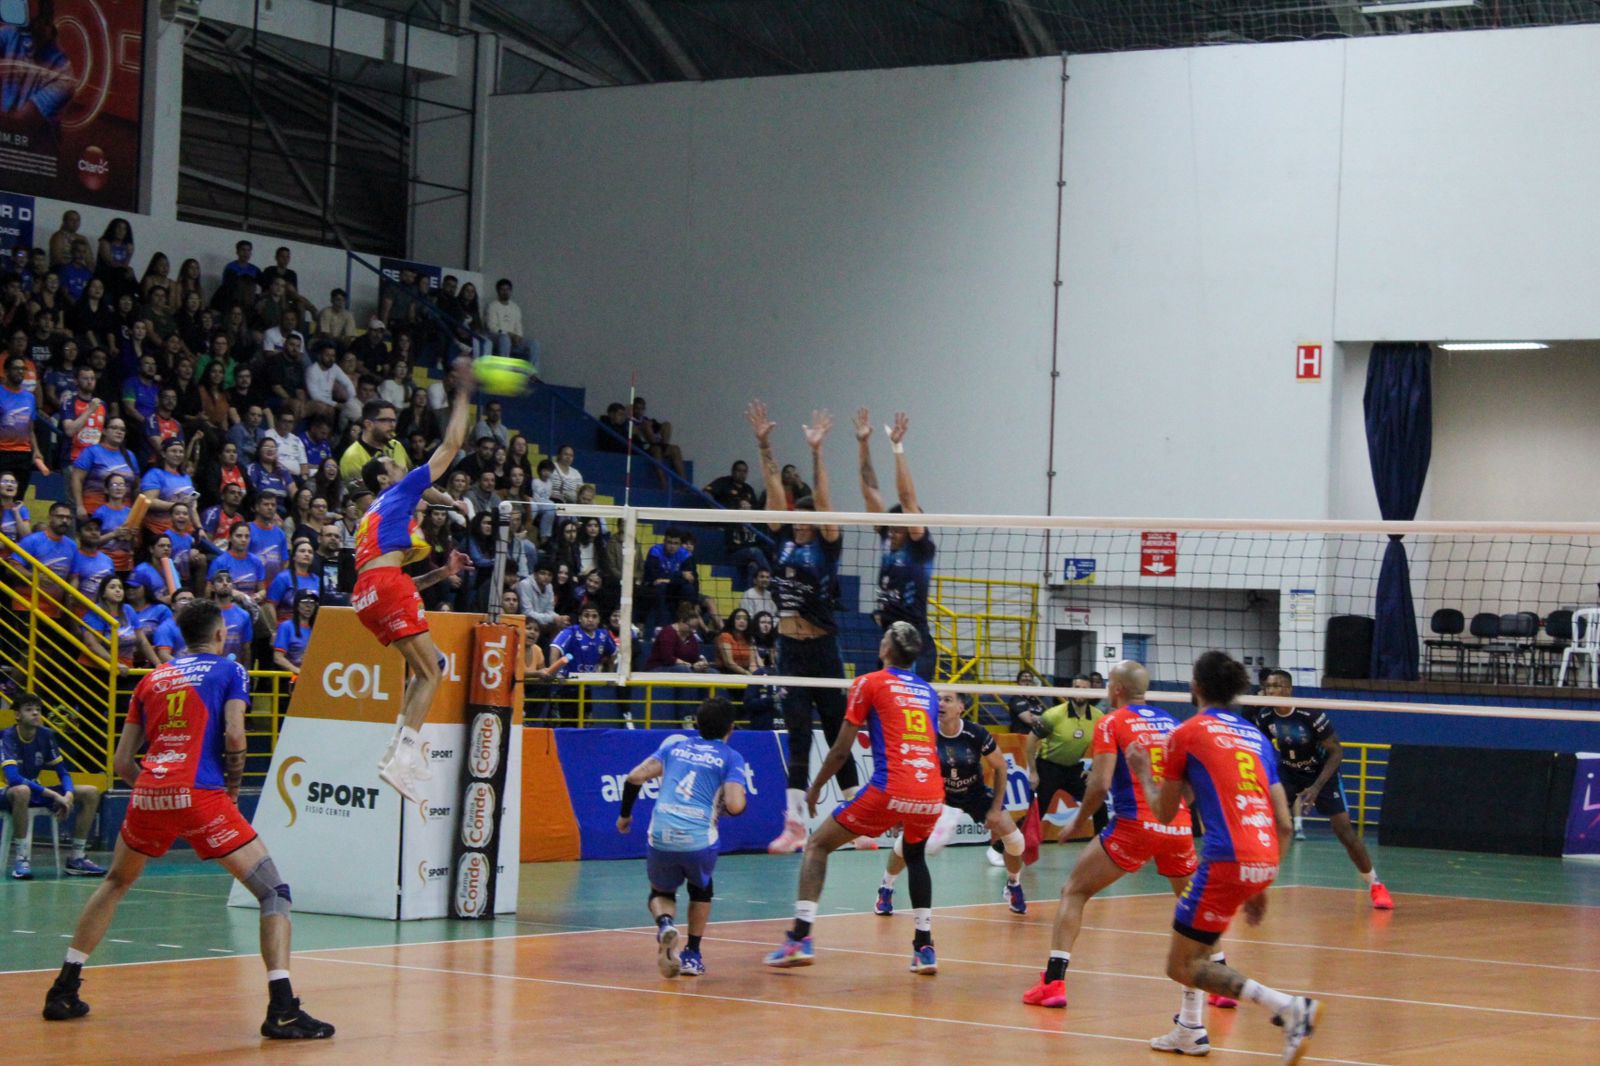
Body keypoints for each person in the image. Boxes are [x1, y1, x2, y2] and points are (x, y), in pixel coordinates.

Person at [42, 600, 335, 1039]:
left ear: (180, 637)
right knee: (274, 892)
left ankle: (64, 988)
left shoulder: (153, 678)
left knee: (115, 882)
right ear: (221, 636)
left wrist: (158, 788)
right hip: (200, 793)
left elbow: (123, 762)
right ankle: (283, 1009)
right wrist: (231, 789)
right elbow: (235, 734)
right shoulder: (230, 670)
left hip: (149, 792)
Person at [1123, 650, 1320, 1062]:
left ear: (1195, 687)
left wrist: (1142, 769)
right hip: (1263, 856)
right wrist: (1260, 880)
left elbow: (1164, 811)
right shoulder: (1257, 738)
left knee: (1181, 964)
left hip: (1226, 857)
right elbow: (1284, 823)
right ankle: (1190, 1029)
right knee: (1200, 944)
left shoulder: (1187, 734)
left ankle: (1288, 1007)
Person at [766, 623, 943, 973]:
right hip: (930, 790)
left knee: (817, 844)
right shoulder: (928, 691)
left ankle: (799, 939)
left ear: (887, 649)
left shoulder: (869, 682)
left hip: (890, 786)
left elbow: (839, 750)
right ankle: (924, 948)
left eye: (884, 637)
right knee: (915, 855)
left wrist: (815, 787)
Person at [1022, 660, 1198, 1010]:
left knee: (1074, 891)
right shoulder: (1174, 723)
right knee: (1193, 905)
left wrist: (1077, 822)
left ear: (1115, 689)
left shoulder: (1110, 722)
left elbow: (1100, 784)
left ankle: (1054, 982)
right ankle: (1219, 983)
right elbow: (1191, 788)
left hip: (1136, 825)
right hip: (1179, 826)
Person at [355, 360, 475, 802]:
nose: (400, 465)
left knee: (425, 667)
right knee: (433, 671)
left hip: (367, 594)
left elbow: (389, 583)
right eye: (392, 463)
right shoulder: (400, 489)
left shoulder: (368, 518)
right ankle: (403, 759)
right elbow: (453, 443)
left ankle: (395, 752)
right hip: (385, 586)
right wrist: (462, 394)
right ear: (385, 476)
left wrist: (442, 573)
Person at [746, 400, 859, 853]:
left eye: (804, 513)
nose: (797, 517)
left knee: (837, 732)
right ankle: (794, 824)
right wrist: (764, 443)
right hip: (790, 652)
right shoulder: (782, 539)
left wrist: (816, 453)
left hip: (824, 648)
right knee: (796, 736)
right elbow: (774, 489)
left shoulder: (828, 543)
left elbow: (826, 500)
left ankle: (854, 818)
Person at [616, 697, 747, 978]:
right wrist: (726, 803)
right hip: (698, 838)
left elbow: (634, 777)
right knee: (701, 888)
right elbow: (736, 806)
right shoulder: (730, 757)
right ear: (731, 728)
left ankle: (665, 924)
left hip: (661, 833)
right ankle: (692, 955)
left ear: (696, 724)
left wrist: (625, 816)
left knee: (661, 892)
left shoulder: (675, 745)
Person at [1248, 669, 1393, 910]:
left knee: (1344, 831)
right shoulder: (1264, 716)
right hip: (1288, 770)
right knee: (1270, 823)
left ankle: (1375, 884)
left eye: (1275, 686)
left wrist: (1315, 788)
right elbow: (1261, 746)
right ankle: (1254, 885)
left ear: (1288, 689)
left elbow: (1336, 751)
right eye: (1267, 687)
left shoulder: (1309, 714)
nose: (1269, 691)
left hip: (1321, 771)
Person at [876, 690, 1026, 917]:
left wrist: (995, 809)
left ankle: (1013, 884)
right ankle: (886, 887)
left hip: (974, 793)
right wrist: (902, 810)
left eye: (947, 700)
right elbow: (907, 770)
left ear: (960, 707)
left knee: (1015, 841)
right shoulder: (925, 732)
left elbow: (1000, 767)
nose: (941, 704)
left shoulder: (975, 733)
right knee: (907, 843)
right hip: (937, 794)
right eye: (938, 700)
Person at [4, 691, 106, 880]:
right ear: (17, 715)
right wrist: (54, 795)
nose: (35, 713)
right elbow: (14, 779)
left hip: (37, 790)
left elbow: (63, 772)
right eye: (29, 710)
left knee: (91, 792)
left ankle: (77, 858)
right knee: (22, 790)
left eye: (38, 710)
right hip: (9, 793)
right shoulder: (8, 736)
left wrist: (67, 793)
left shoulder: (46, 735)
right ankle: (22, 858)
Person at [1025, 675, 1107, 837]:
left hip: (1074, 770)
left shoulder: (1099, 717)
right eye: (1077, 688)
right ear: (1069, 690)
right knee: (1036, 813)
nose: (1080, 692)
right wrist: (1033, 772)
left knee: (1098, 805)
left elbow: (1103, 748)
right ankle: (1003, 848)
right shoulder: (1054, 714)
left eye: (1085, 689)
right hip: (1048, 768)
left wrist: (1092, 770)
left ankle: (1101, 848)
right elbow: (1031, 740)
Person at [273, 593, 317, 672]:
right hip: (291, 677)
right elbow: (278, 657)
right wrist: (297, 671)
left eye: (312, 602)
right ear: (297, 605)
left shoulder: (317, 628)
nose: (309, 605)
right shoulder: (286, 626)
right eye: (305, 602)